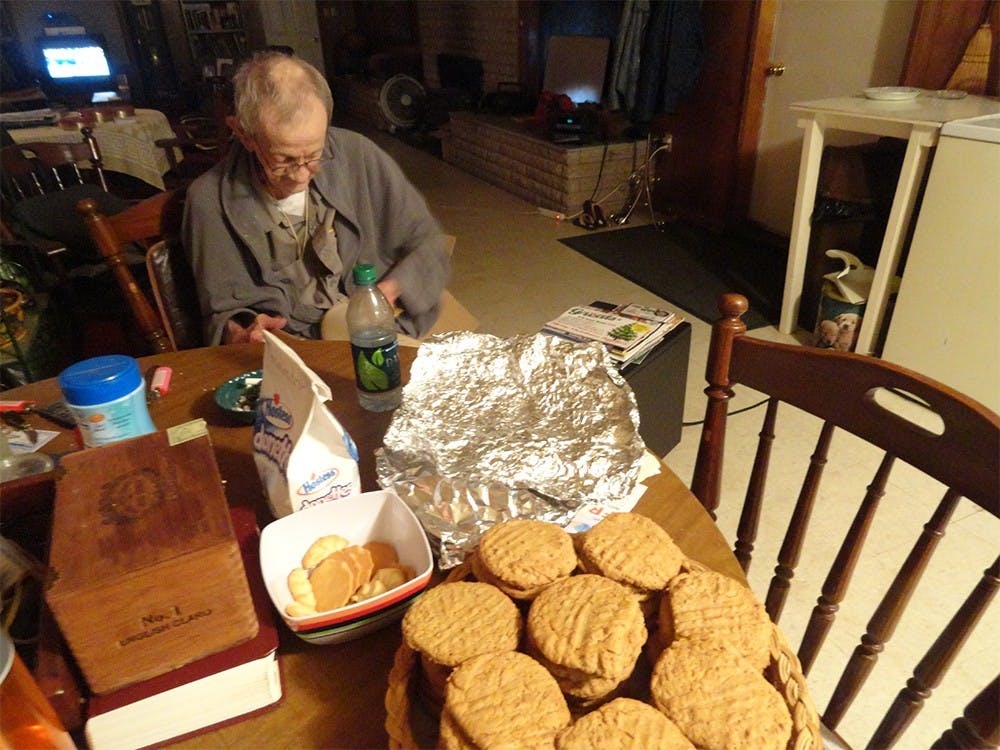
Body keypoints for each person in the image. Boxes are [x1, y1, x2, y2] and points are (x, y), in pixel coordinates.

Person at [183, 51, 450, 345]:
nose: (300, 176)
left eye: (314, 156)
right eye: (283, 159)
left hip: (378, 328)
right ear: (244, 134)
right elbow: (222, 313)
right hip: (296, 347)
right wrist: (243, 332)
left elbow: (428, 242)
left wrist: (390, 290)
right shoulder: (208, 200)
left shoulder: (358, 155)